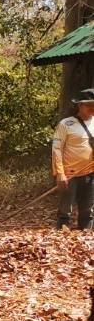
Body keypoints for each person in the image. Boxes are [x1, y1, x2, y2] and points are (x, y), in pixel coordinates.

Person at [53, 88, 94, 231]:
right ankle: (60, 241)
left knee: (88, 210)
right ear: (79, 105)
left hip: (90, 173)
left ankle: (85, 238)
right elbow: (56, 149)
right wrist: (60, 173)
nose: (92, 108)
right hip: (70, 174)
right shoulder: (66, 124)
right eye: (89, 104)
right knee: (65, 211)